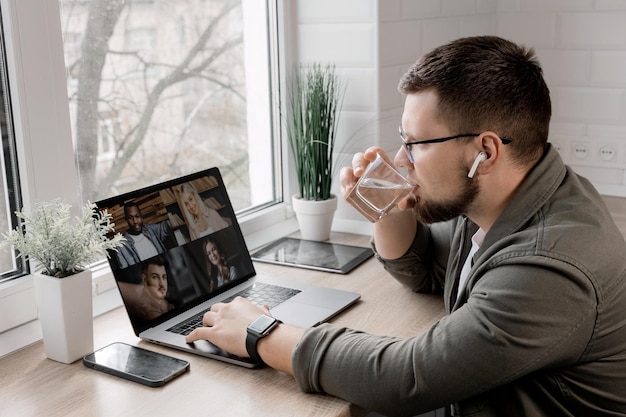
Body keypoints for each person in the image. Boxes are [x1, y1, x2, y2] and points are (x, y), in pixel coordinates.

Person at [184, 36, 626, 416]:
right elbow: (427, 273)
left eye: (416, 144)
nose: (400, 160)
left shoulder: (548, 265)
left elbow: (405, 377)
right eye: (403, 141)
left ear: (485, 153)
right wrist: (390, 209)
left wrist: (262, 333)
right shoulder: (514, 199)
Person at [116, 202, 172, 268]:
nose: (135, 221)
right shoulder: (122, 247)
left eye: (137, 216)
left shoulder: (152, 230)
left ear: (141, 217)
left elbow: (167, 225)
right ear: (126, 220)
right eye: (130, 218)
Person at [131, 257, 174, 322]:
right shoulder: (142, 313)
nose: (162, 283)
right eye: (155, 277)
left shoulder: (171, 304)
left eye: (164, 277)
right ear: (144, 280)